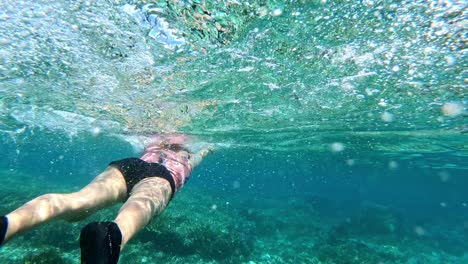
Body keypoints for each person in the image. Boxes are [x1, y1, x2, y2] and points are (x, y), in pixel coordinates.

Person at [0, 134, 211, 263]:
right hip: (162, 178)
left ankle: (8, 224)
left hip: (130, 165)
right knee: (135, 214)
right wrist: (207, 149)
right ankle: (109, 239)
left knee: (77, 201)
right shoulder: (188, 158)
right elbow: (201, 154)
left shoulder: (154, 144)